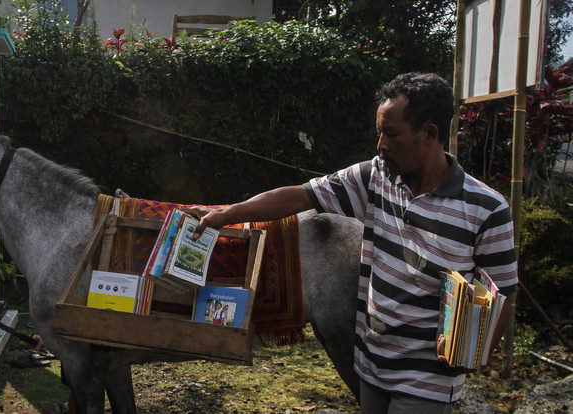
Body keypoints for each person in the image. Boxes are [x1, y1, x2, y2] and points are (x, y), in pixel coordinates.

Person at [184, 72, 518, 414]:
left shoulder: (487, 209)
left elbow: (500, 293)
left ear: (429, 133)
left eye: (391, 133)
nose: (381, 145)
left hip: (428, 379)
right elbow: (299, 196)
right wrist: (226, 215)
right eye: (379, 132)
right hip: (371, 363)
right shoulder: (375, 178)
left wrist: (471, 354)